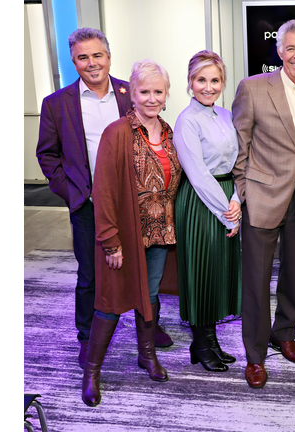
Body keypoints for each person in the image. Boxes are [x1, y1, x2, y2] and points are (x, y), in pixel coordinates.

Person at [36, 28, 173, 371]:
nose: (92, 63)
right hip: (89, 203)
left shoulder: (130, 93)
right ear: (74, 62)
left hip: (135, 203)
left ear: (109, 57)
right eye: (83, 57)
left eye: (97, 55)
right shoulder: (56, 104)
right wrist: (74, 194)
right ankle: (87, 338)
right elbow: (48, 156)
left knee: (144, 268)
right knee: (91, 275)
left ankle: (148, 328)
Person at [81, 59, 182, 407]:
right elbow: (105, 190)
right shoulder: (117, 133)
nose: (151, 98)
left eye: (158, 91)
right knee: (110, 303)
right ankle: (92, 371)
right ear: (132, 94)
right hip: (125, 237)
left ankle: (147, 355)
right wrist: (110, 241)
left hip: (160, 234)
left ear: (166, 95)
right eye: (144, 91)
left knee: (149, 296)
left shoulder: (169, 132)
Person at [231, 19, 295, 389]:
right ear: (279, 51)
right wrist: (244, 193)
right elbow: (240, 147)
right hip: (262, 199)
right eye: (291, 47)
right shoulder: (253, 88)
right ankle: (255, 356)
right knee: (255, 281)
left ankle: (283, 333)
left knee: (294, 274)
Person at [174, 50, 242, 373]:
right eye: (201, 80)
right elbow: (198, 173)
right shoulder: (186, 120)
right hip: (201, 203)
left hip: (228, 196)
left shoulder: (227, 115)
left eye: (215, 80)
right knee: (202, 271)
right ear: (190, 82)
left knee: (218, 271)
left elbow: (237, 163)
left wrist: (238, 201)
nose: (208, 86)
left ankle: (210, 341)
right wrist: (226, 211)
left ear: (223, 83)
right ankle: (200, 344)